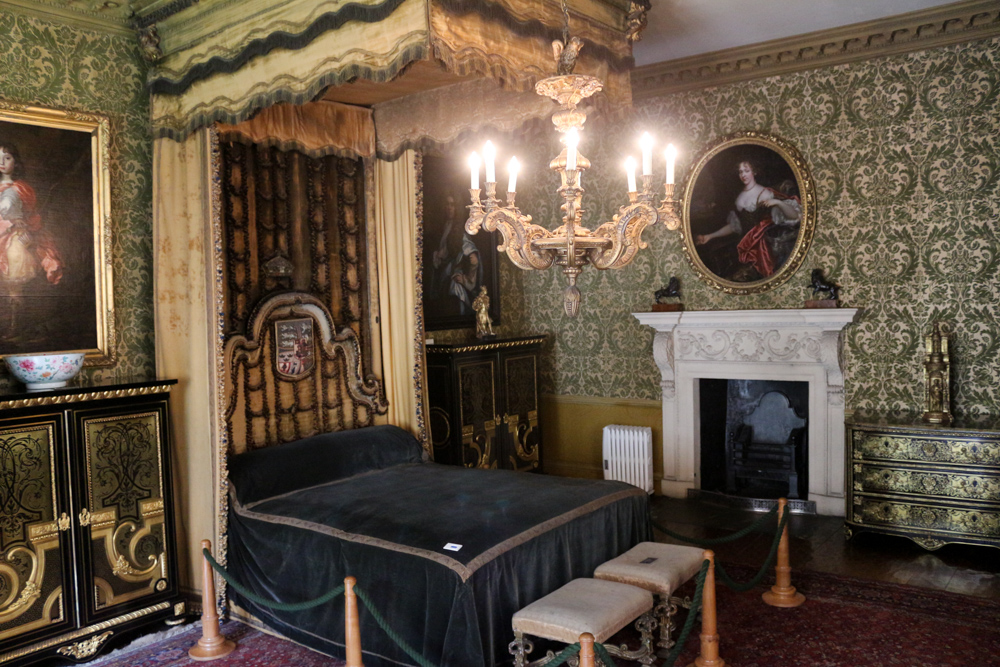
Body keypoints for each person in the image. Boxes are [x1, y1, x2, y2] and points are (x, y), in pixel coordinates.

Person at [694, 158, 800, 279]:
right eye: (740, 172)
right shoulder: (739, 197)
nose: (743, 175)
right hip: (744, 244)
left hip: (762, 246)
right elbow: (735, 226)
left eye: (746, 170)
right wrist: (710, 236)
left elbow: (794, 216)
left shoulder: (765, 193)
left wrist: (778, 203)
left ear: (754, 172)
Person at [0, 142, 62, 288]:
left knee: (17, 253)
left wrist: (28, 232)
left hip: (17, 233)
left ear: (15, 162)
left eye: (7, 158)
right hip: (2, 230)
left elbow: (31, 216)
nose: (2, 162)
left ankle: (15, 298)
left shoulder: (23, 188)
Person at [430, 193, 482, 314]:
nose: (449, 207)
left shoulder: (458, 229)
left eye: (452, 205)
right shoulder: (443, 227)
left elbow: (470, 251)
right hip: (443, 273)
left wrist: (471, 256)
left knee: (455, 298)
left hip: (453, 275)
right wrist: (437, 255)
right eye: (447, 204)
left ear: (456, 207)